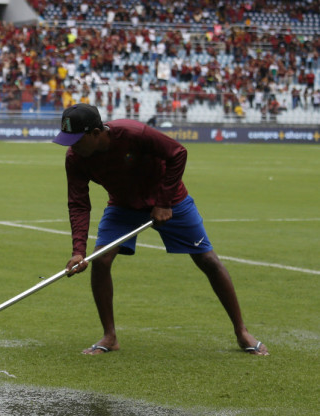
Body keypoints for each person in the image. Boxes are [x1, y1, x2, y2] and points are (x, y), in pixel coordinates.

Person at [53, 103, 268, 356]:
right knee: (100, 261)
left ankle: (241, 331)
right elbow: (78, 203)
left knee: (208, 260)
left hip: (171, 200)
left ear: (96, 132)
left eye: (77, 140)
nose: (72, 146)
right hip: (123, 205)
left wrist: (164, 202)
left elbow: (178, 153)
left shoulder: (134, 133)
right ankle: (110, 336)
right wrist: (78, 251)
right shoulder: (75, 158)